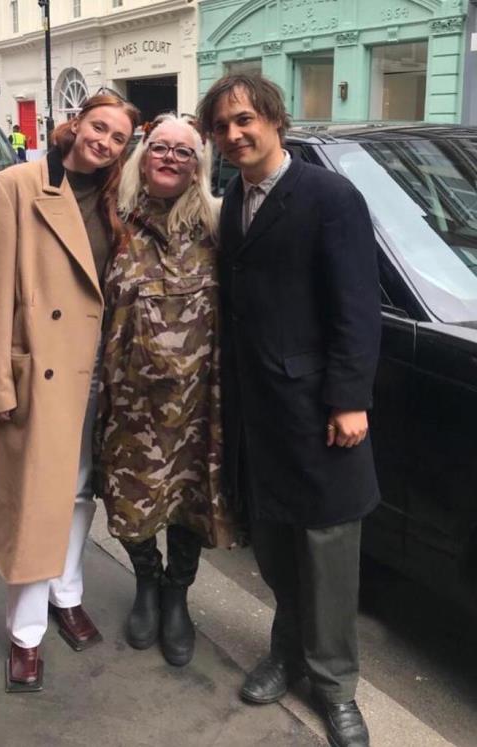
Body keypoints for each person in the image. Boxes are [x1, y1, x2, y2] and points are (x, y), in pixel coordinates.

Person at [197, 75, 381, 747]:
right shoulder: (234, 205)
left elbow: (356, 306)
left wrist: (350, 398)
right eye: (222, 126)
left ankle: (335, 687)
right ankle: (288, 647)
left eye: (244, 119)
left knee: (327, 551)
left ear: (275, 119)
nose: (234, 134)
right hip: (259, 410)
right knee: (275, 546)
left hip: (320, 410)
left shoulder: (329, 197)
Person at [0, 93, 139, 693]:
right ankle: (26, 633)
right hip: (43, 370)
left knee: (80, 490)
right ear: (75, 125)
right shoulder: (15, 185)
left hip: (101, 369)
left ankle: (67, 593)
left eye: (119, 137)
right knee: (36, 499)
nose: (105, 142)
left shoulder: (120, 197)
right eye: (100, 127)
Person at [96, 113, 236, 667]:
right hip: (130, 401)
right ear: (142, 154)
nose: (171, 158)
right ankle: (146, 583)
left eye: (184, 151)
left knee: (189, 502)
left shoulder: (219, 225)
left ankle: (177, 593)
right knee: (132, 504)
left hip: (200, 403)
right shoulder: (115, 220)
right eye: (160, 147)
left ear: (198, 163)